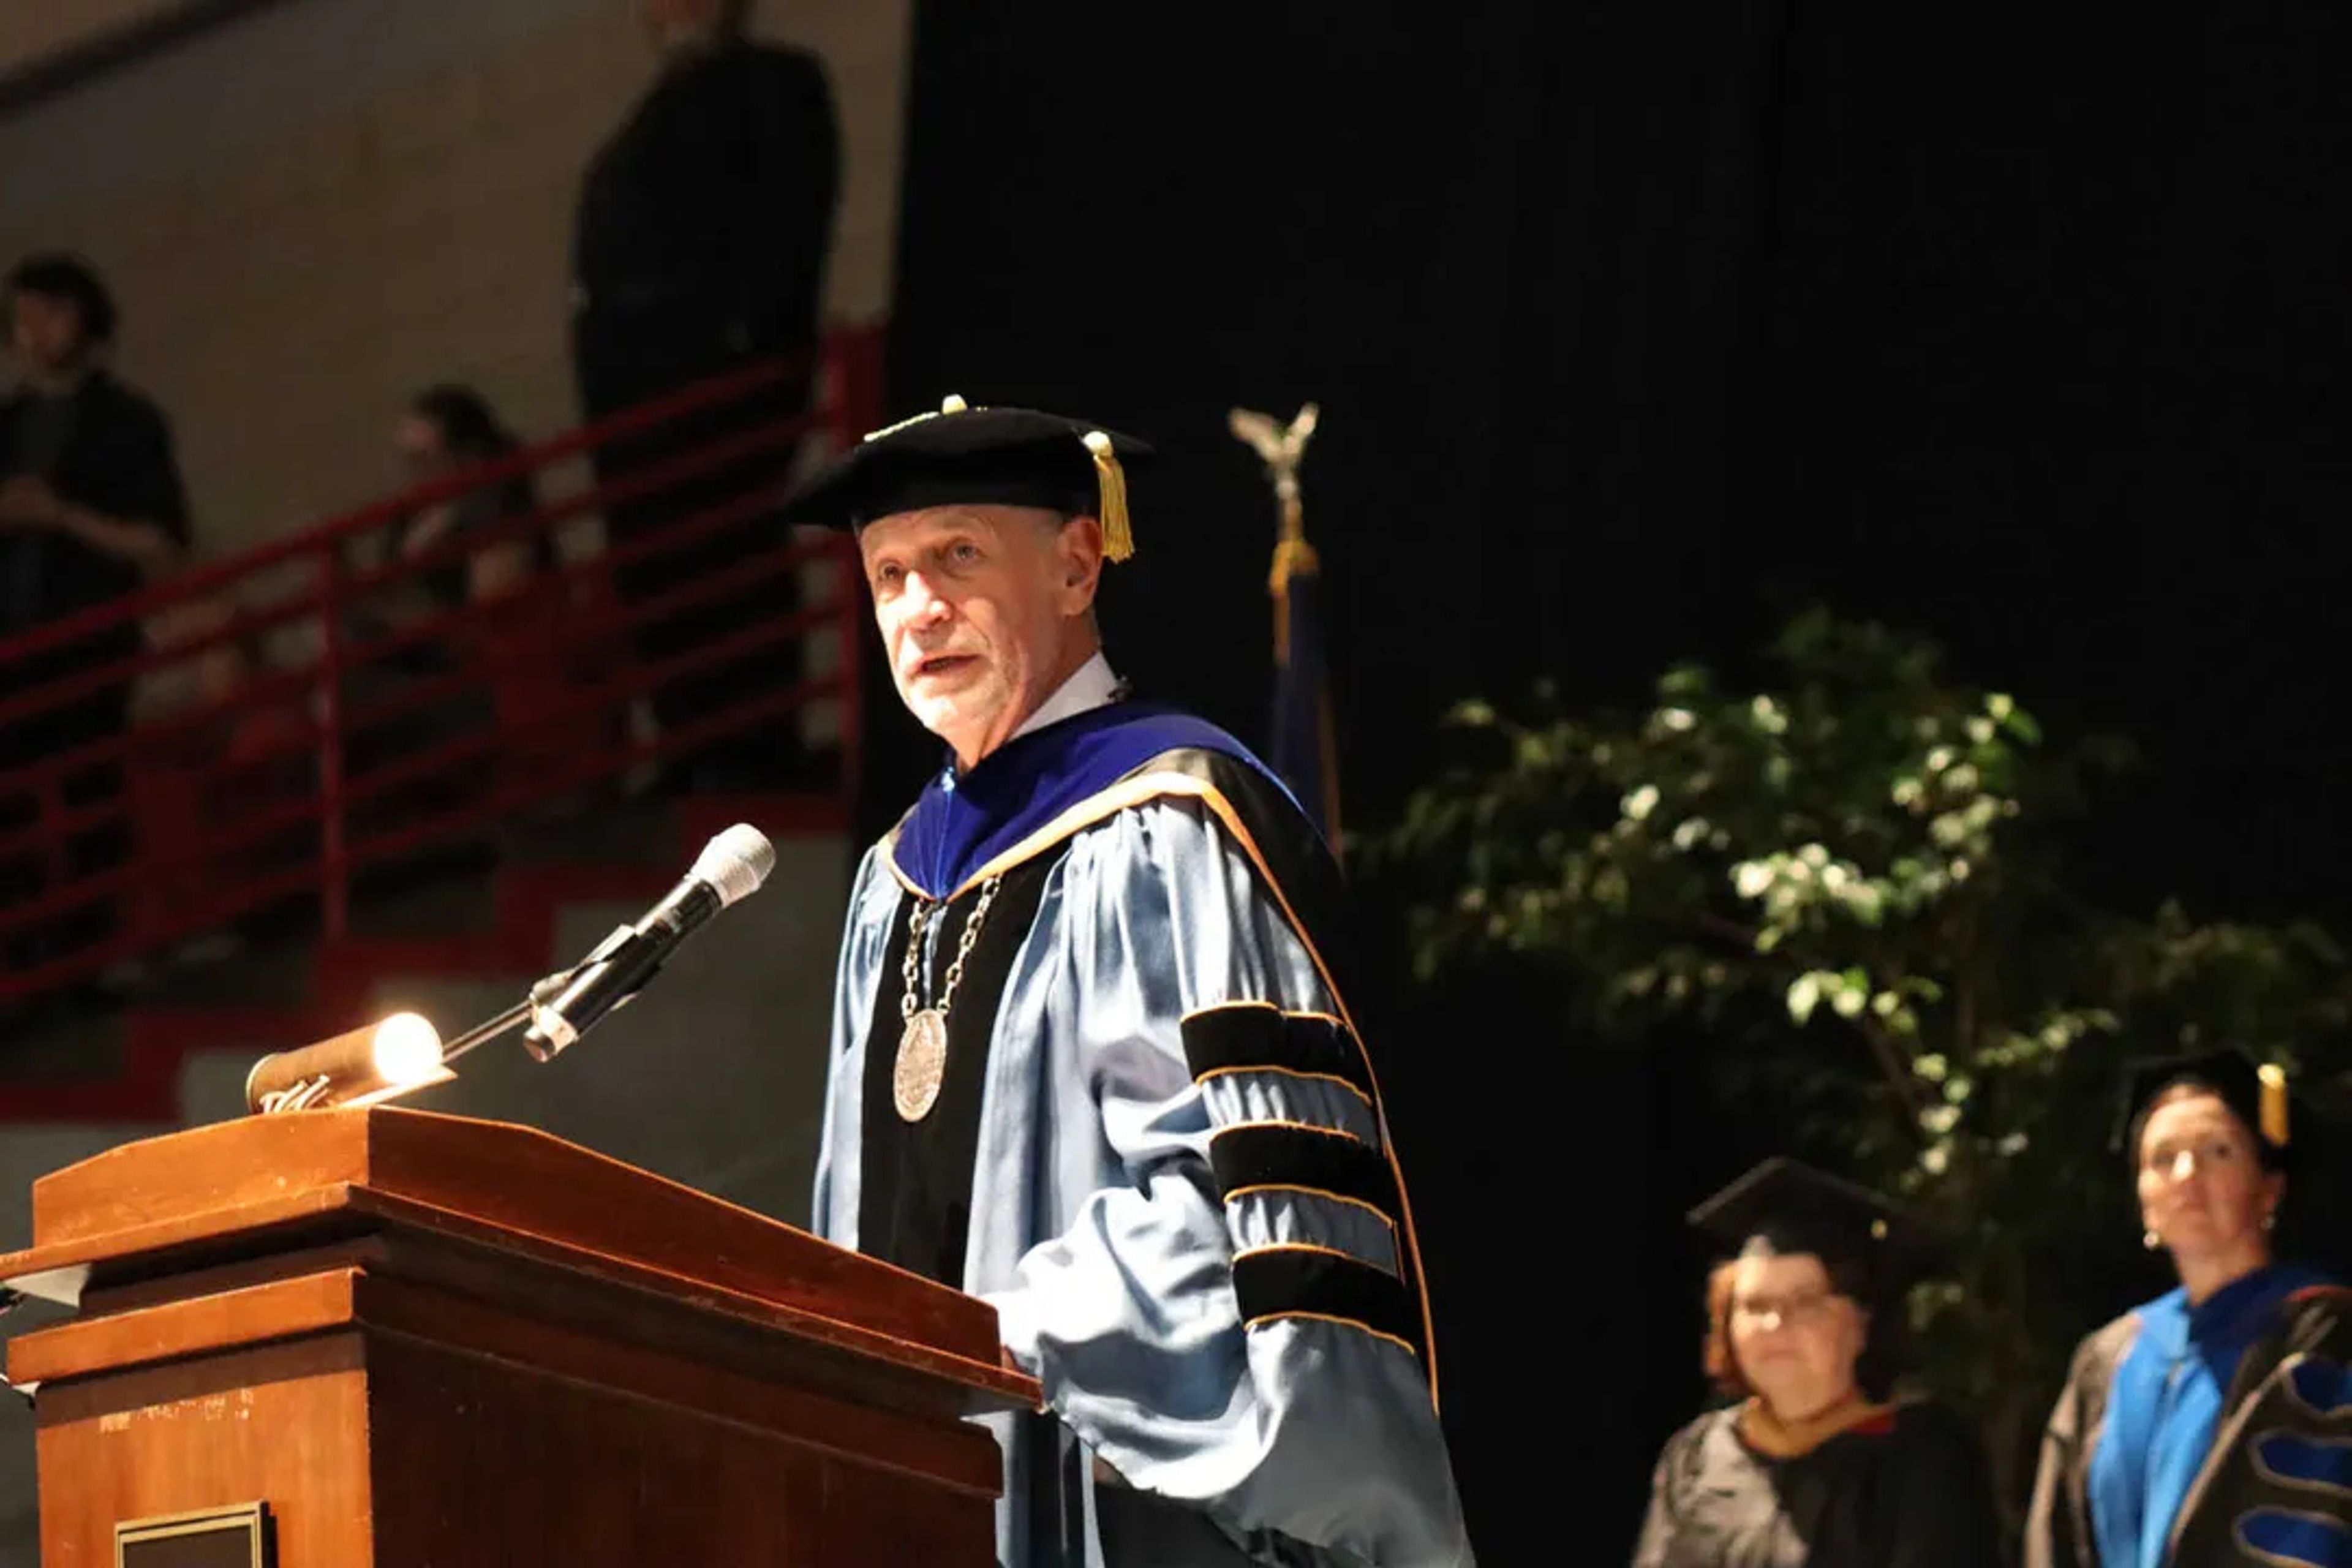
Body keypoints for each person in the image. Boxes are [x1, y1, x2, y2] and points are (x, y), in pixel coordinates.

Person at [790, 397, 1473, 1566]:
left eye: (958, 556)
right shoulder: (890, 882)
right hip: (914, 1490)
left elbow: (1242, 1202)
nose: (920, 608)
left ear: (1073, 564)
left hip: (1128, 1495)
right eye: (889, 574)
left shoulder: (1175, 822)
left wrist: (998, 1333)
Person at [571, 0, 839, 791]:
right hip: (640, 410)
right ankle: (694, 743)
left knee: (726, 557)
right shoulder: (639, 132)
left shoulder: (774, 87)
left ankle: (749, 745)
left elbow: (790, 236)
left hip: (715, 394)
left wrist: (747, 345)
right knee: (662, 574)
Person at [2026, 1049, 2352, 1568]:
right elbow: (2057, 1540)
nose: (2186, 1174)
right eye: (2162, 1158)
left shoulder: (2321, 1330)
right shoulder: (2108, 1359)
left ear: (2270, 1189)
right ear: (2143, 1200)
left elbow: (2308, 1531)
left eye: (2218, 1151)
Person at [1634, 1157, 1999, 1568]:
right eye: (1754, 1305)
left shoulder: (1920, 1458)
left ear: (1862, 1322)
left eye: (1805, 1302)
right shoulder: (1696, 1456)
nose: (1775, 1324)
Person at [0, 252, 191, 976]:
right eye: (23, 318)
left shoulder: (126, 422)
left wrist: (59, 516)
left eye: (47, 314)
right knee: (15, 808)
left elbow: (159, 540)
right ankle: (27, 959)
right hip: (12, 645)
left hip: (88, 638)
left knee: (89, 795)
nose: (32, 333)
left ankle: (88, 953)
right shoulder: (8, 425)